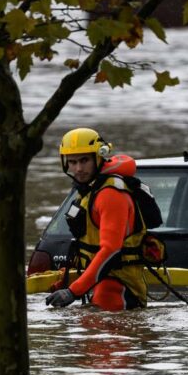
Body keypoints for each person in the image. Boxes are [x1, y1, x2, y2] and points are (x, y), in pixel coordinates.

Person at [45, 127, 158, 312]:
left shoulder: (110, 194)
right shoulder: (88, 190)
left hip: (117, 288)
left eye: (84, 160)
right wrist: (68, 281)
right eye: (72, 162)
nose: (78, 169)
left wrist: (73, 291)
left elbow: (111, 250)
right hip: (98, 283)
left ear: (99, 158)